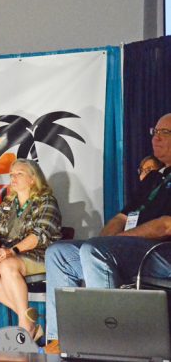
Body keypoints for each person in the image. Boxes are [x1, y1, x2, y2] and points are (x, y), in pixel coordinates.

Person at [44, 113, 171, 354]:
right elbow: (122, 218)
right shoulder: (154, 177)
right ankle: (59, 338)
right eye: (155, 132)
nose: (157, 138)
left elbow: (165, 225)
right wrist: (102, 240)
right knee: (59, 252)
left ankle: (109, 344)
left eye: (166, 133)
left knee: (97, 251)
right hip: (132, 249)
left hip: (163, 253)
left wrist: (111, 244)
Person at [0, 158, 62, 341]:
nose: (13, 177)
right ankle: (27, 319)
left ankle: (25, 327)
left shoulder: (46, 201)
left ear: (32, 179)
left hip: (40, 255)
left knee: (7, 266)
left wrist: (12, 250)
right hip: (9, 254)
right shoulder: (7, 202)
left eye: (19, 173)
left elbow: (39, 235)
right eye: (11, 174)